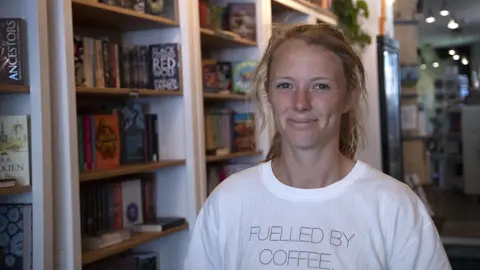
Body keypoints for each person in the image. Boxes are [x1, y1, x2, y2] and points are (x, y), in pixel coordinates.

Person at [184, 23, 451, 270]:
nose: (300, 103)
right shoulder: (229, 201)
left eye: (321, 86)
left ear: (349, 97)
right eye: (285, 85)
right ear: (269, 94)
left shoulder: (394, 206)